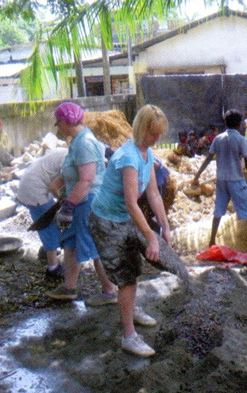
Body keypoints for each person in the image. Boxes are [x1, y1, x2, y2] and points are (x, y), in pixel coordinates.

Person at [89, 104, 188, 358]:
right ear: (141, 128)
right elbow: (133, 203)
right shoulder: (128, 157)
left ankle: (130, 308)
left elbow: (153, 193)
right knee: (127, 275)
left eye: (159, 134)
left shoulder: (147, 153)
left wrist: (164, 227)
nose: (157, 138)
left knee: (133, 267)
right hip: (106, 220)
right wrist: (149, 238)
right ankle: (129, 336)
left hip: (123, 217)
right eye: (153, 133)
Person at [45, 102, 117, 307]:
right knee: (71, 244)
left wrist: (68, 206)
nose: (57, 126)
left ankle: (110, 291)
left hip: (89, 202)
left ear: (67, 122)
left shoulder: (84, 142)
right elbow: (75, 173)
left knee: (93, 247)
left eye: (58, 122)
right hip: (80, 201)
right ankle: (69, 287)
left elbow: (86, 179)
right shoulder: (77, 141)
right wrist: (62, 187)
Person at [192, 109, 247, 253]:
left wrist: (197, 176)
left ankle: (212, 241)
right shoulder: (241, 140)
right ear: (239, 124)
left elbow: (208, 158)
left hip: (221, 180)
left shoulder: (218, 138)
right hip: (236, 179)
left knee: (218, 210)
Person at [17, 147, 68, 279]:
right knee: (48, 224)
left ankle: (46, 251)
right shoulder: (69, 161)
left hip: (33, 182)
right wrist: (66, 203)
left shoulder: (67, 152)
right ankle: (53, 267)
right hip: (34, 187)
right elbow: (55, 187)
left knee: (49, 221)